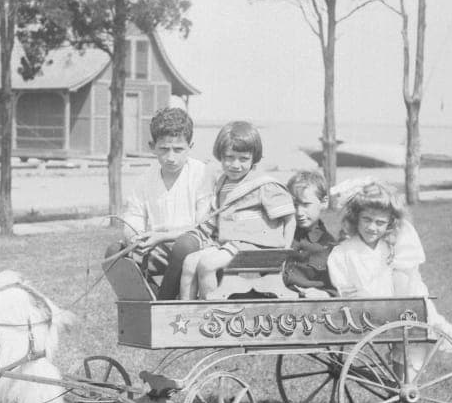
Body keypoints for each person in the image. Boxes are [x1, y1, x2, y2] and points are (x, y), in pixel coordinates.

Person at [327, 179, 452, 355]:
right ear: (356, 218)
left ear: (390, 223)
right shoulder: (343, 252)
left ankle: (406, 365)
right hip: (362, 312)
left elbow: (404, 282)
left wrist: (394, 307)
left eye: (380, 222)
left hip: (402, 303)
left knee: (411, 339)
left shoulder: (394, 244)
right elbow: (345, 289)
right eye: (366, 219)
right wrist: (359, 299)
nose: (372, 227)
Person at [178, 121, 295, 300]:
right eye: (229, 157)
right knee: (189, 262)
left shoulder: (264, 184)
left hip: (257, 247)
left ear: (254, 158)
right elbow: (217, 217)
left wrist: (284, 253)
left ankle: (210, 311)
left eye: (243, 159)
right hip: (230, 245)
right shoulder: (222, 183)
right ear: (220, 155)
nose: (235, 164)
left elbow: (289, 219)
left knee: (207, 264)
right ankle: (185, 310)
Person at [106, 107, 213, 299]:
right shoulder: (145, 179)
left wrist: (162, 237)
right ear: (152, 146)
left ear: (190, 146)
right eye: (164, 149)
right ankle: (146, 301)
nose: (171, 158)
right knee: (114, 253)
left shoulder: (201, 174)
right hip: (157, 249)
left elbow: (202, 226)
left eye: (178, 150)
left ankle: (163, 303)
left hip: (193, 248)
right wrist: (135, 237)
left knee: (184, 245)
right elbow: (133, 217)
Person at [282, 170, 337, 297]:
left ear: (324, 202)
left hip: (309, 304)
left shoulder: (329, 246)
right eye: (294, 205)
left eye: (306, 204)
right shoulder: (282, 237)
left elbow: (339, 289)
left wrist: (324, 295)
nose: (299, 212)